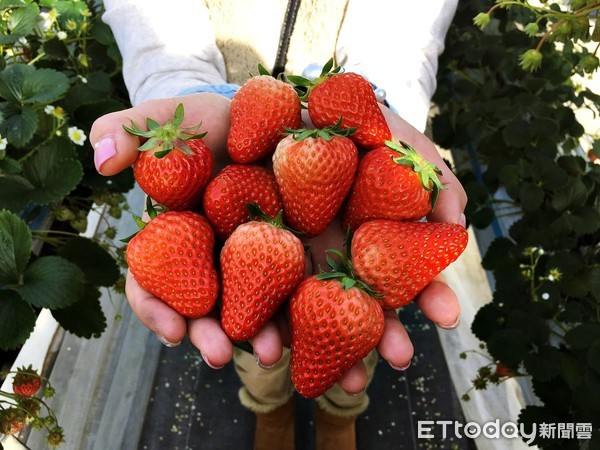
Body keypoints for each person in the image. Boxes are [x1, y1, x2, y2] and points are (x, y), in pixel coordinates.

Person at [90, 1, 467, 449]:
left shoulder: (347, 171)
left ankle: (340, 414)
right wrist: (183, 88)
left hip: (346, 135)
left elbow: (406, 23)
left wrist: (376, 103)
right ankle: (269, 408)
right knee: (256, 341)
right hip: (232, 118)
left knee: (356, 335)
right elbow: (152, 18)